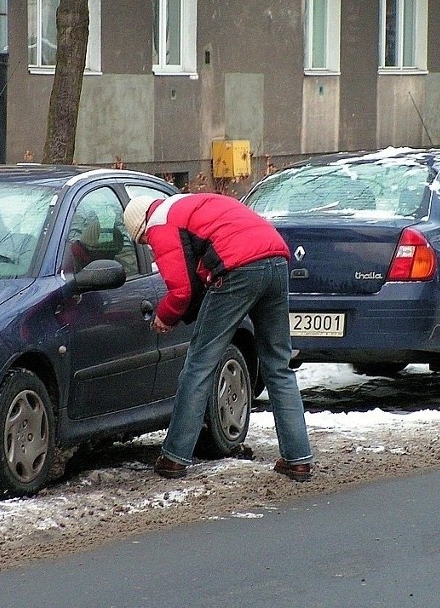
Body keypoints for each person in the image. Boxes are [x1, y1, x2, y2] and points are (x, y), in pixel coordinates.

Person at [123, 193, 313, 482]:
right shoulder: (185, 204)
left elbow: (182, 290)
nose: (150, 248)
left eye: (145, 243)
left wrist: (166, 316)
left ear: (141, 228)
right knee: (278, 366)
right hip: (276, 260)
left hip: (238, 270)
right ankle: (298, 460)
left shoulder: (159, 223)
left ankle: (173, 458)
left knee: (199, 366)